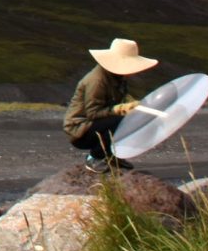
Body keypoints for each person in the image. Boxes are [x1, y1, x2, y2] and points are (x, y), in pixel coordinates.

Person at [63, 38, 158, 173]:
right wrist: (119, 109)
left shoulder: (116, 77)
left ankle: (111, 156)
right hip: (80, 130)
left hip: (96, 125)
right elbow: (93, 113)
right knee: (121, 122)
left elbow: (120, 97)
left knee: (129, 120)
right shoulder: (97, 81)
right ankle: (94, 158)